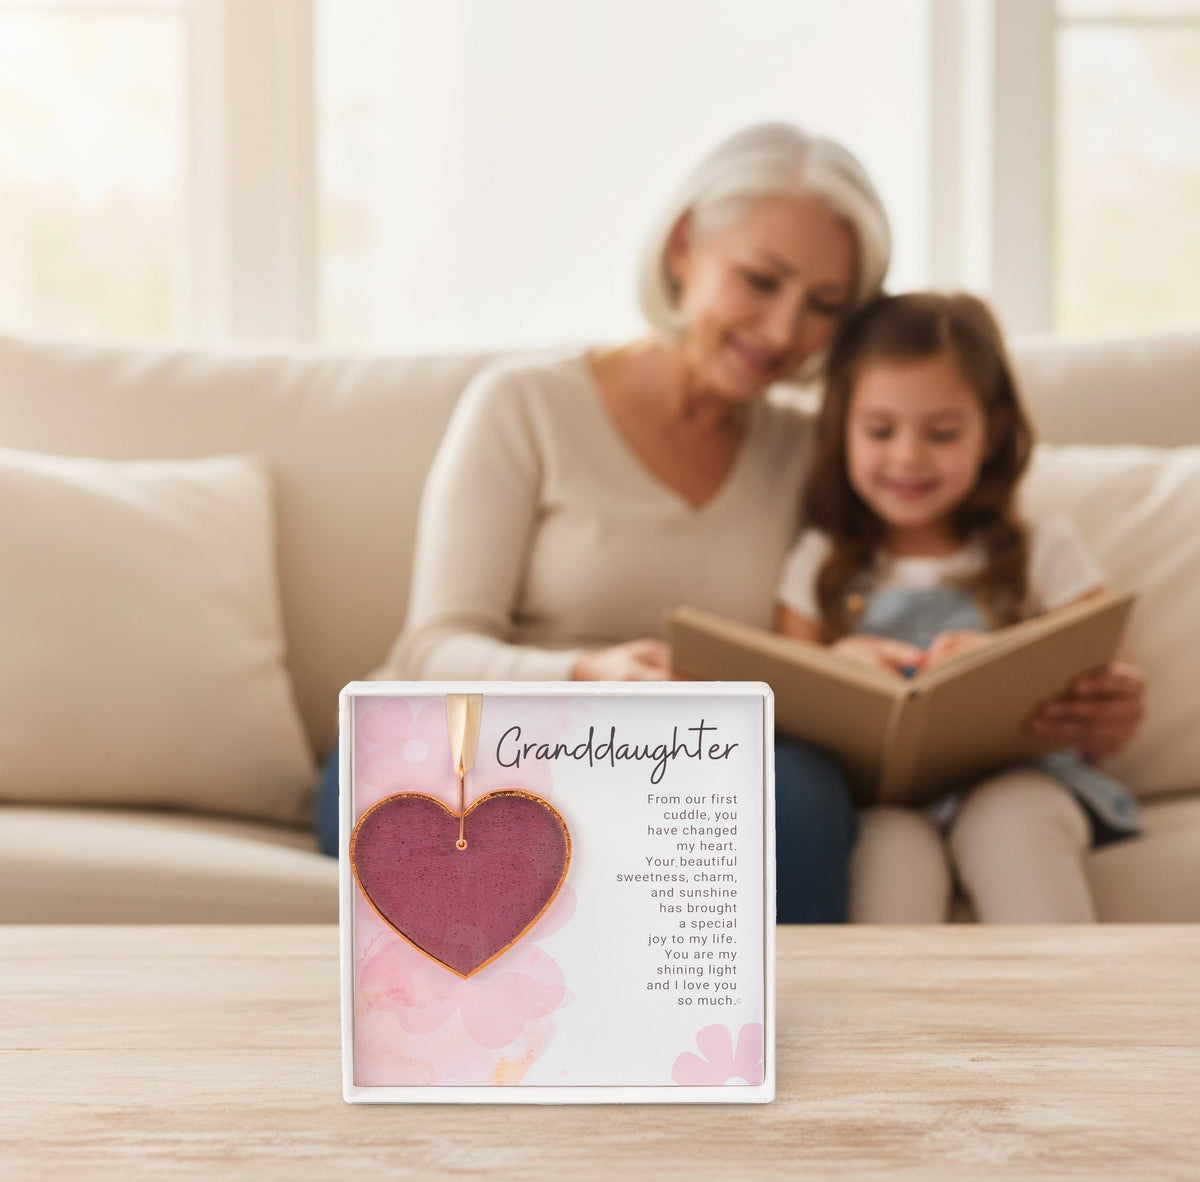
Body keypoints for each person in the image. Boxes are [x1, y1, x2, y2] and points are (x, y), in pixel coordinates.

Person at [316, 121, 893, 923]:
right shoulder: (526, 403)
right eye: (761, 280)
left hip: (673, 766)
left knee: (801, 791)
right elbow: (430, 650)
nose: (787, 331)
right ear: (685, 247)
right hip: (470, 751)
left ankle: (758, 1046)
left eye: (825, 306)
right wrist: (588, 676)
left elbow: (825, 629)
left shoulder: (811, 452)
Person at [774, 291, 1144, 922]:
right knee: (889, 853)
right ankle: (891, 1026)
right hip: (886, 802)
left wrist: (1008, 665)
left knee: (1014, 823)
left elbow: (1109, 672)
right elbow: (786, 696)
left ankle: (1062, 1016)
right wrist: (844, 660)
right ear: (843, 429)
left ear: (992, 432)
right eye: (880, 430)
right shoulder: (820, 559)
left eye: (941, 433)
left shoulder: (1043, 549)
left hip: (1024, 782)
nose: (908, 456)